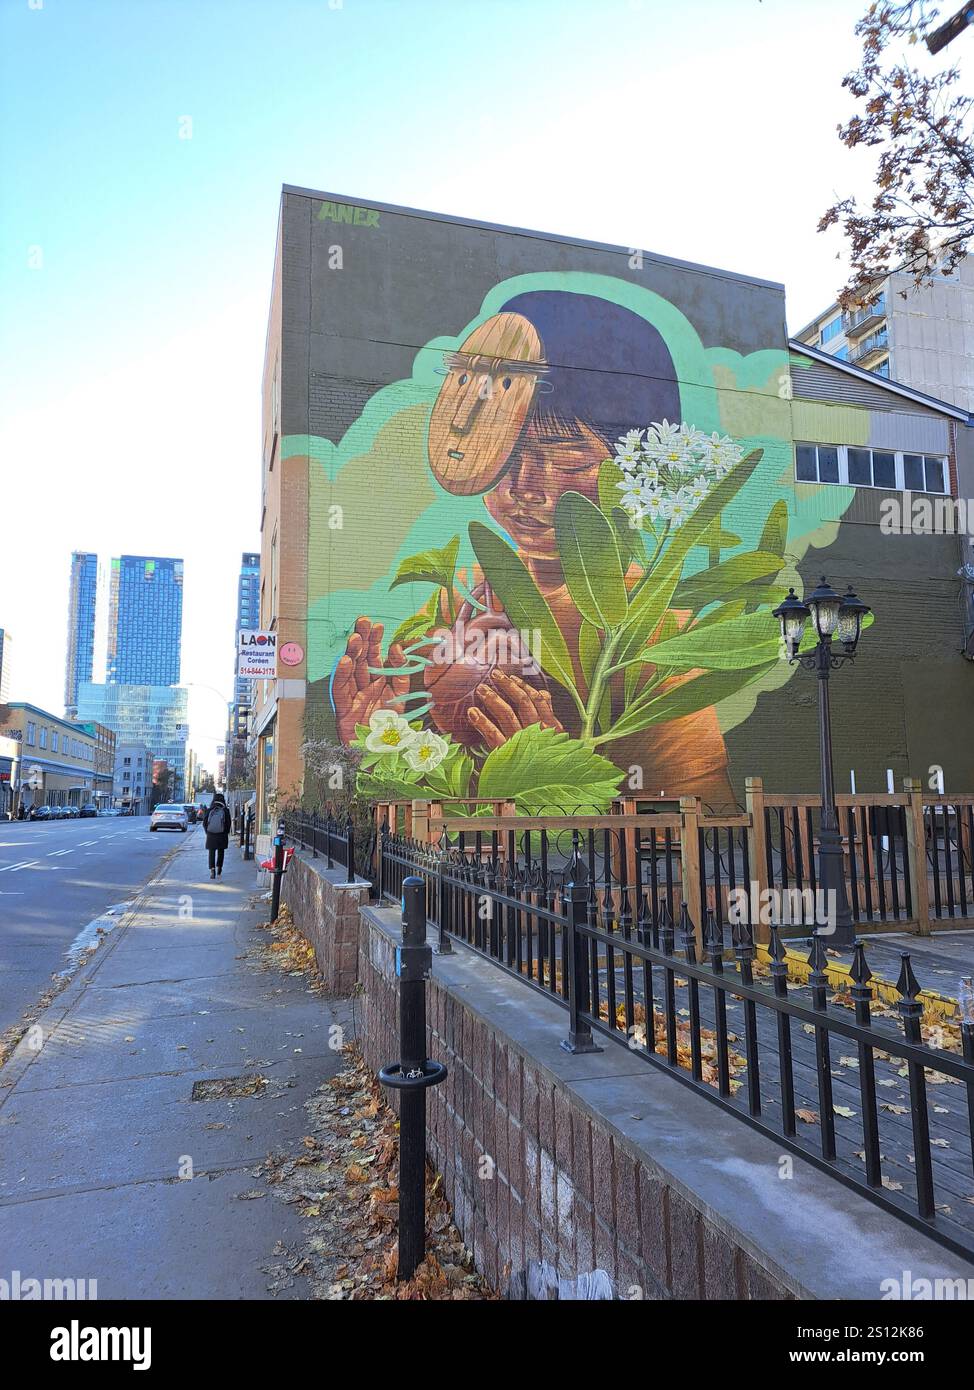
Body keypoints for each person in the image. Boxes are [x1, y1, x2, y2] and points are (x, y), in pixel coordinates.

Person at [202, 792, 230, 878]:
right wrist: (226, 832)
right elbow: (228, 823)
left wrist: (208, 832)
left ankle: (212, 870)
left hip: (211, 834)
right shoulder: (225, 810)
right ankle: (219, 869)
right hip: (222, 834)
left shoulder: (210, 810)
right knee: (221, 851)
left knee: (212, 852)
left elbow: (204, 823)